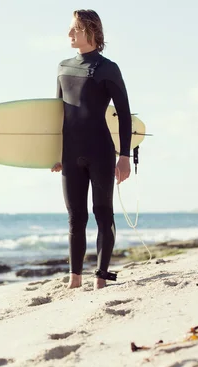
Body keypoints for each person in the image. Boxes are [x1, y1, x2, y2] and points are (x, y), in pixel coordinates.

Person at [50, 9, 132, 290]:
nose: (69, 34)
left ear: (91, 31)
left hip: (100, 150)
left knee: (103, 213)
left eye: (75, 29)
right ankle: (74, 279)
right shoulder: (63, 67)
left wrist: (125, 157)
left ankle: (102, 278)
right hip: (70, 153)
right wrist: (54, 154)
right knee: (76, 218)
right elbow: (56, 115)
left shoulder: (108, 68)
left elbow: (124, 113)